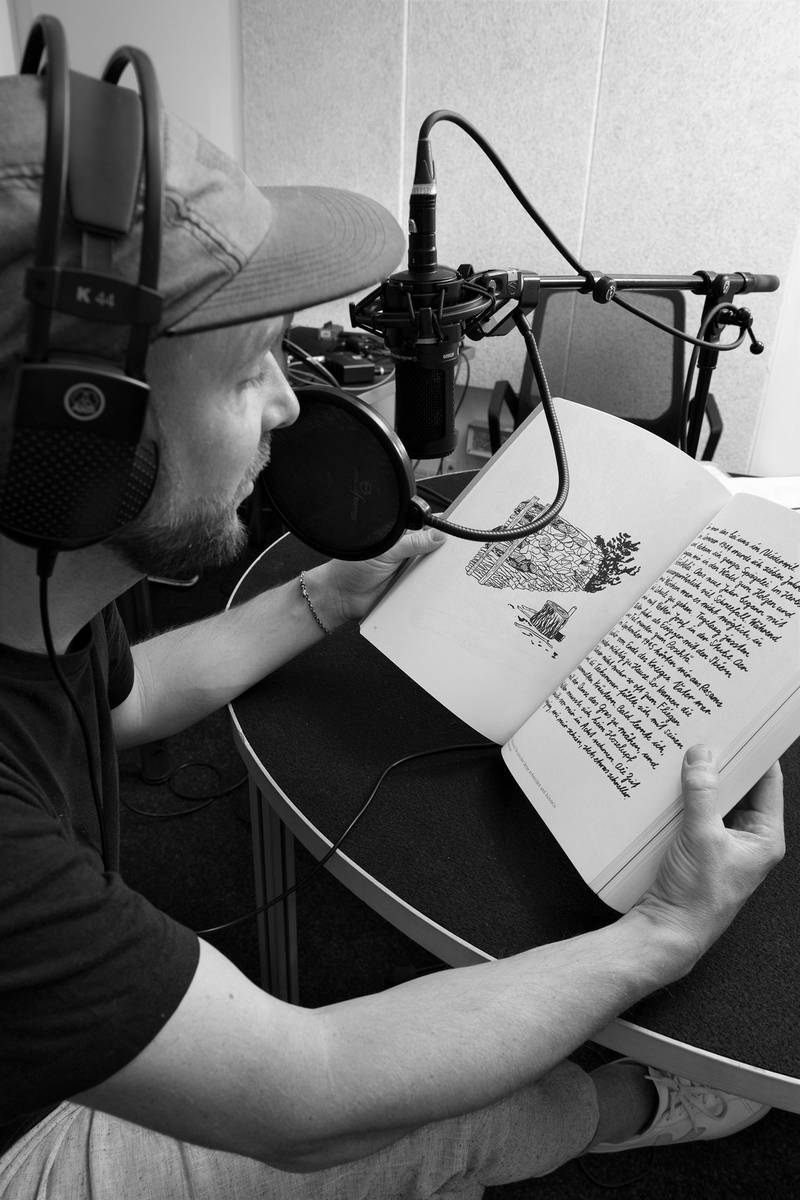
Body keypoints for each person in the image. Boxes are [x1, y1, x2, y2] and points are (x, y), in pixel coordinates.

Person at [0, 50, 786, 1200]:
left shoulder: (37, 601)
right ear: (70, 442)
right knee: (423, 1117)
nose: (288, 406)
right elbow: (306, 1096)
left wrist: (320, 597)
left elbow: (127, 697)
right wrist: (661, 930)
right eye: (248, 372)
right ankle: (627, 1110)